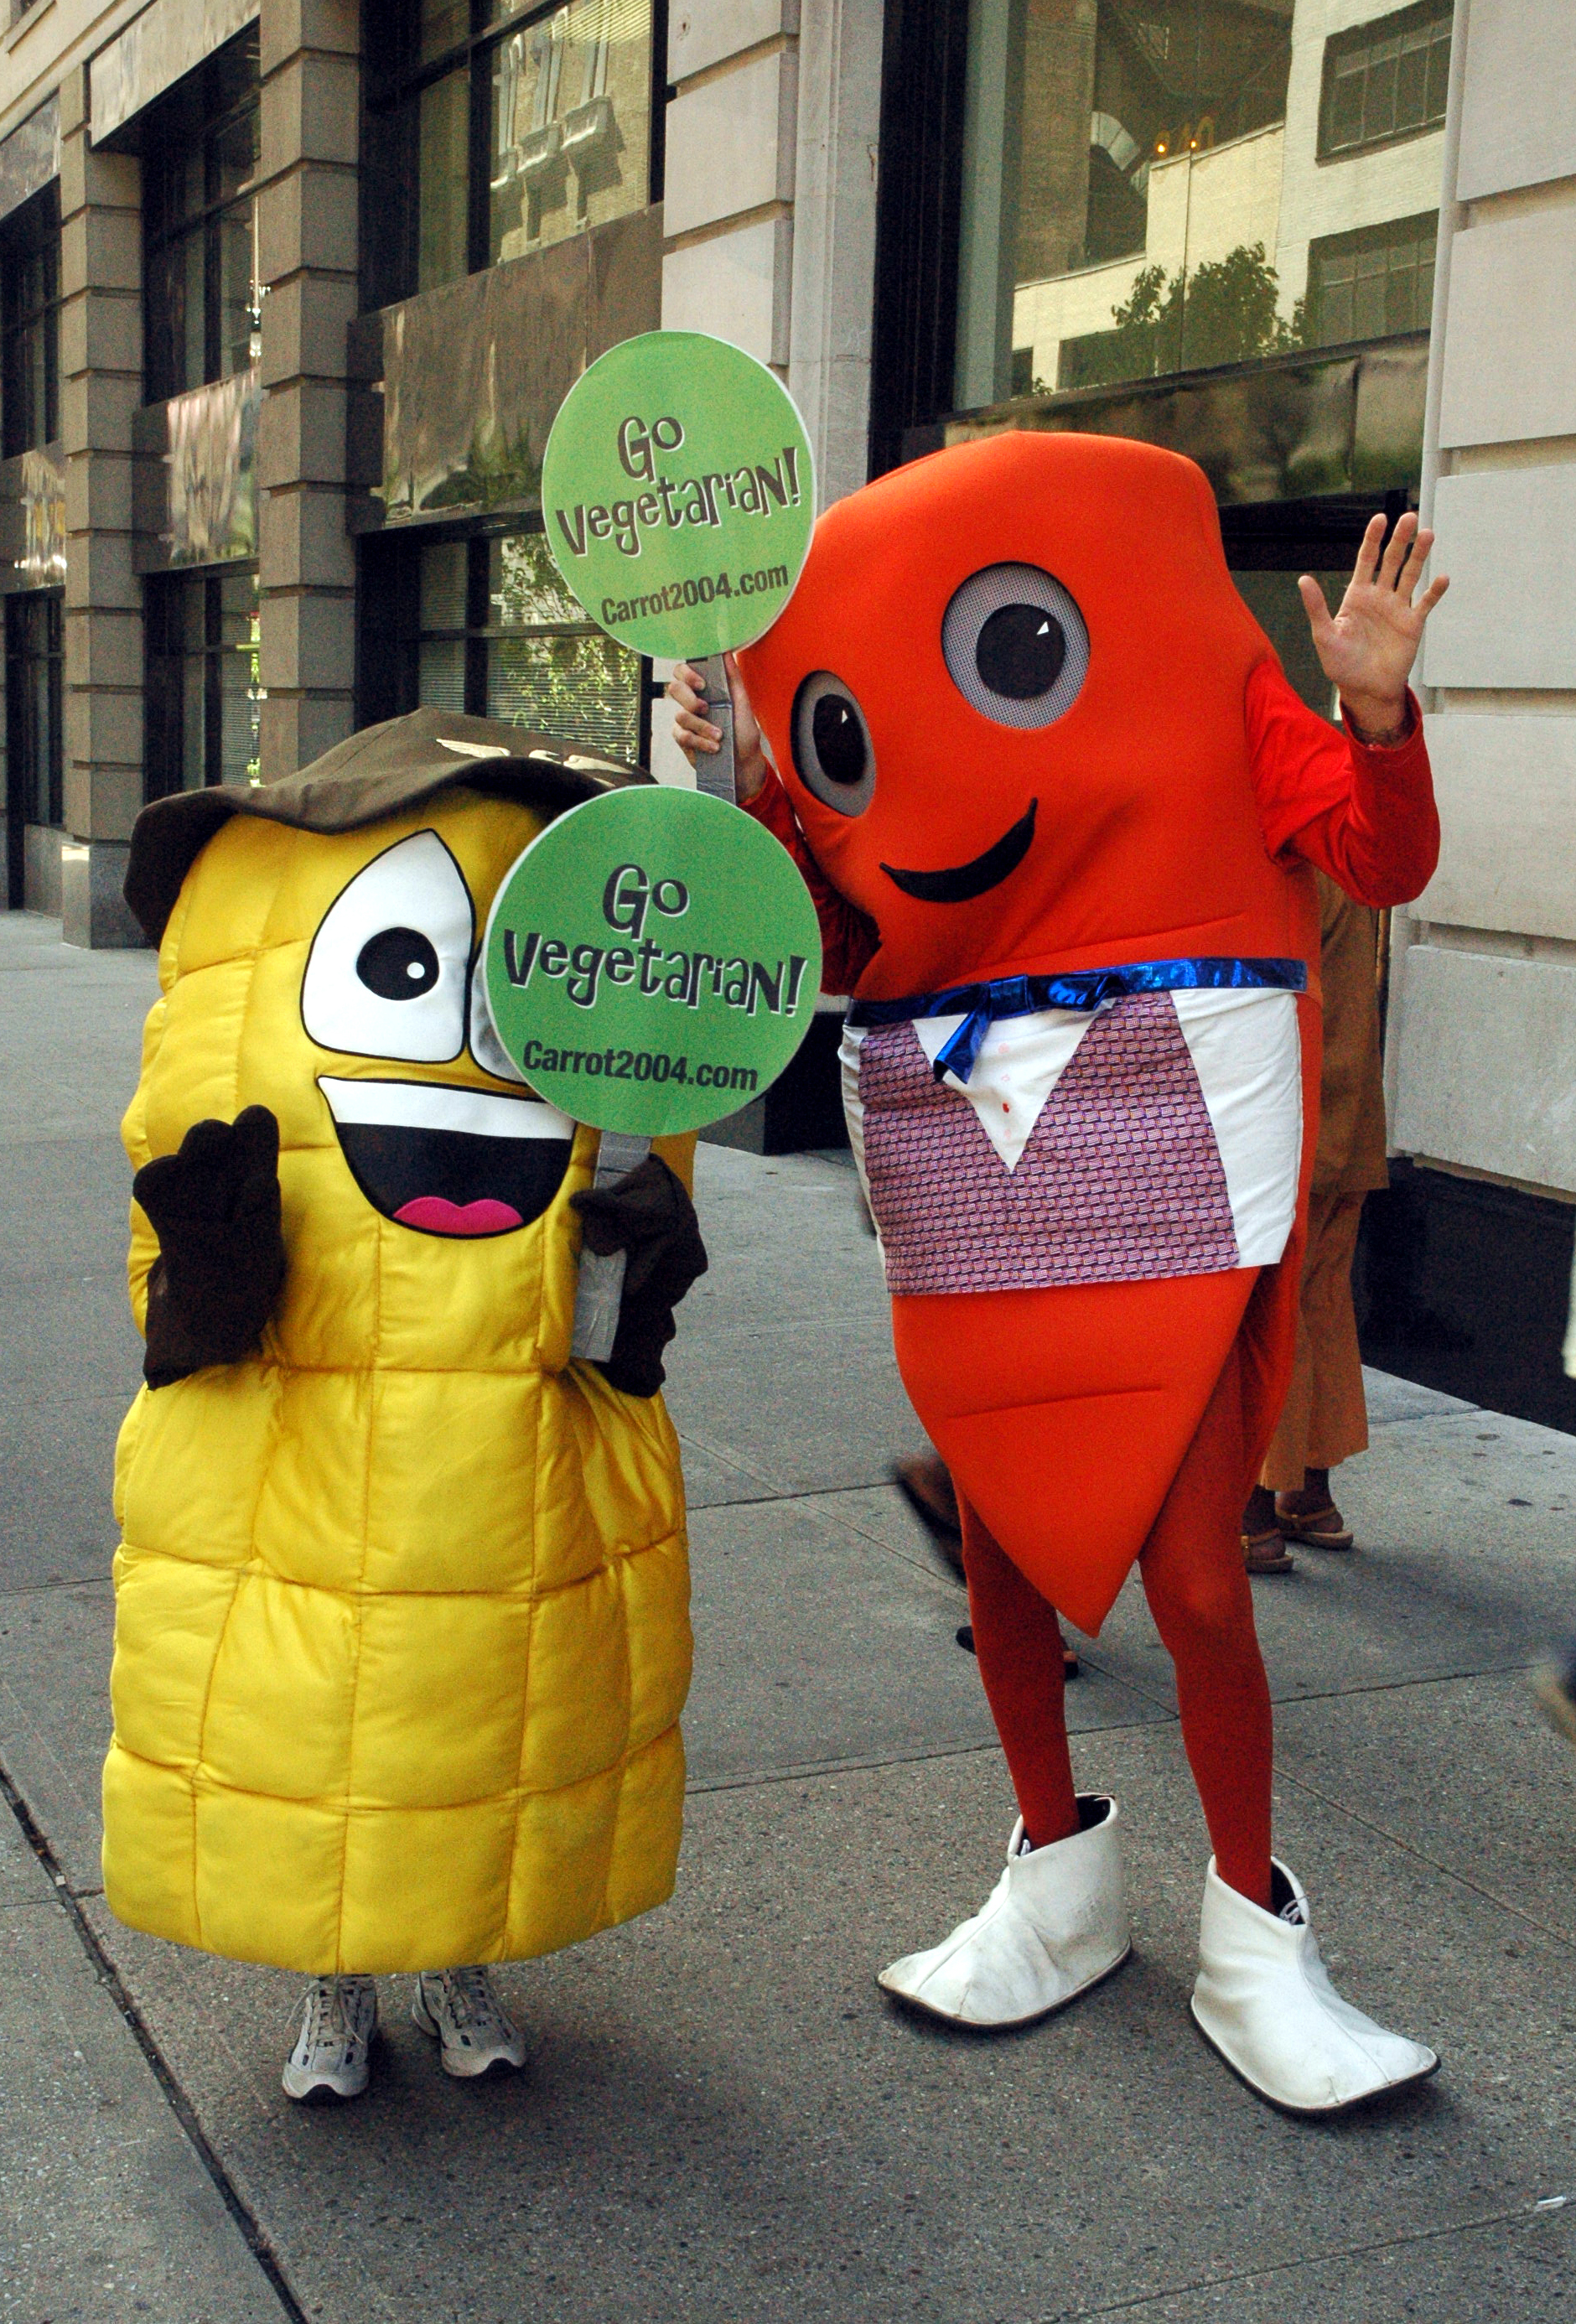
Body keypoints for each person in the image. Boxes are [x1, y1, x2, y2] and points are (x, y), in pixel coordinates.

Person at [671, 430, 1447, 2114]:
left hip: (1164, 1141)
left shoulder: (1215, 679)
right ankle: (1051, 1877)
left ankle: (1252, 1925)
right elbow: (821, 931)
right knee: (1007, 1559)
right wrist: (747, 795)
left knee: (1189, 1581)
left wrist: (1376, 719)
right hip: (966, 1152)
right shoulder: (824, 773)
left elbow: (1378, 862)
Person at [106, 710, 706, 2104]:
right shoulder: (244, 1056)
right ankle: (335, 1985)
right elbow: (167, 1295)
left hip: (499, 1448)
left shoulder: (597, 1095)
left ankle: (454, 1956)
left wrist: (629, 1266)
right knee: (313, 1723)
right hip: (302, 1439)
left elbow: (614, 1295)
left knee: (480, 1710)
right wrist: (214, 1267)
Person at [1242, 873, 1389, 1574]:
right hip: (1345, 1123)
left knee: (1260, 1317)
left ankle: (1249, 1514)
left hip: (1286, 1129)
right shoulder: (1348, 860)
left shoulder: (1287, 868)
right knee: (1321, 1304)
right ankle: (1308, 1498)